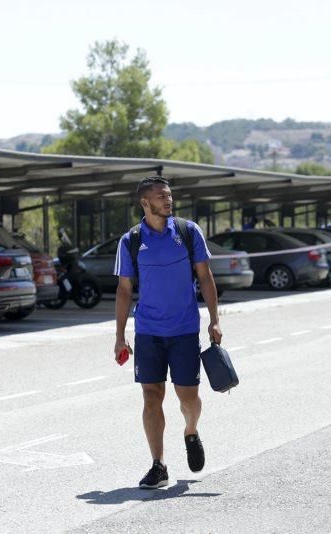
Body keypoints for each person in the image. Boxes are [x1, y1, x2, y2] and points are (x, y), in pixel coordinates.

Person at [113, 176, 223, 489]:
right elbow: (123, 290)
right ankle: (158, 464)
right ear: (144, 203)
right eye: (161, 196)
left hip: (185, 329)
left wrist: (214, 320)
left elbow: (205, 277)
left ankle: (191, 430)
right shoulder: (131, 240)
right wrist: (120, 335)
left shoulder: (188, 232)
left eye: (169, 195)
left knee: (188, 397)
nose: (168, 201)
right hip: (148, 330)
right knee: (151, 396)